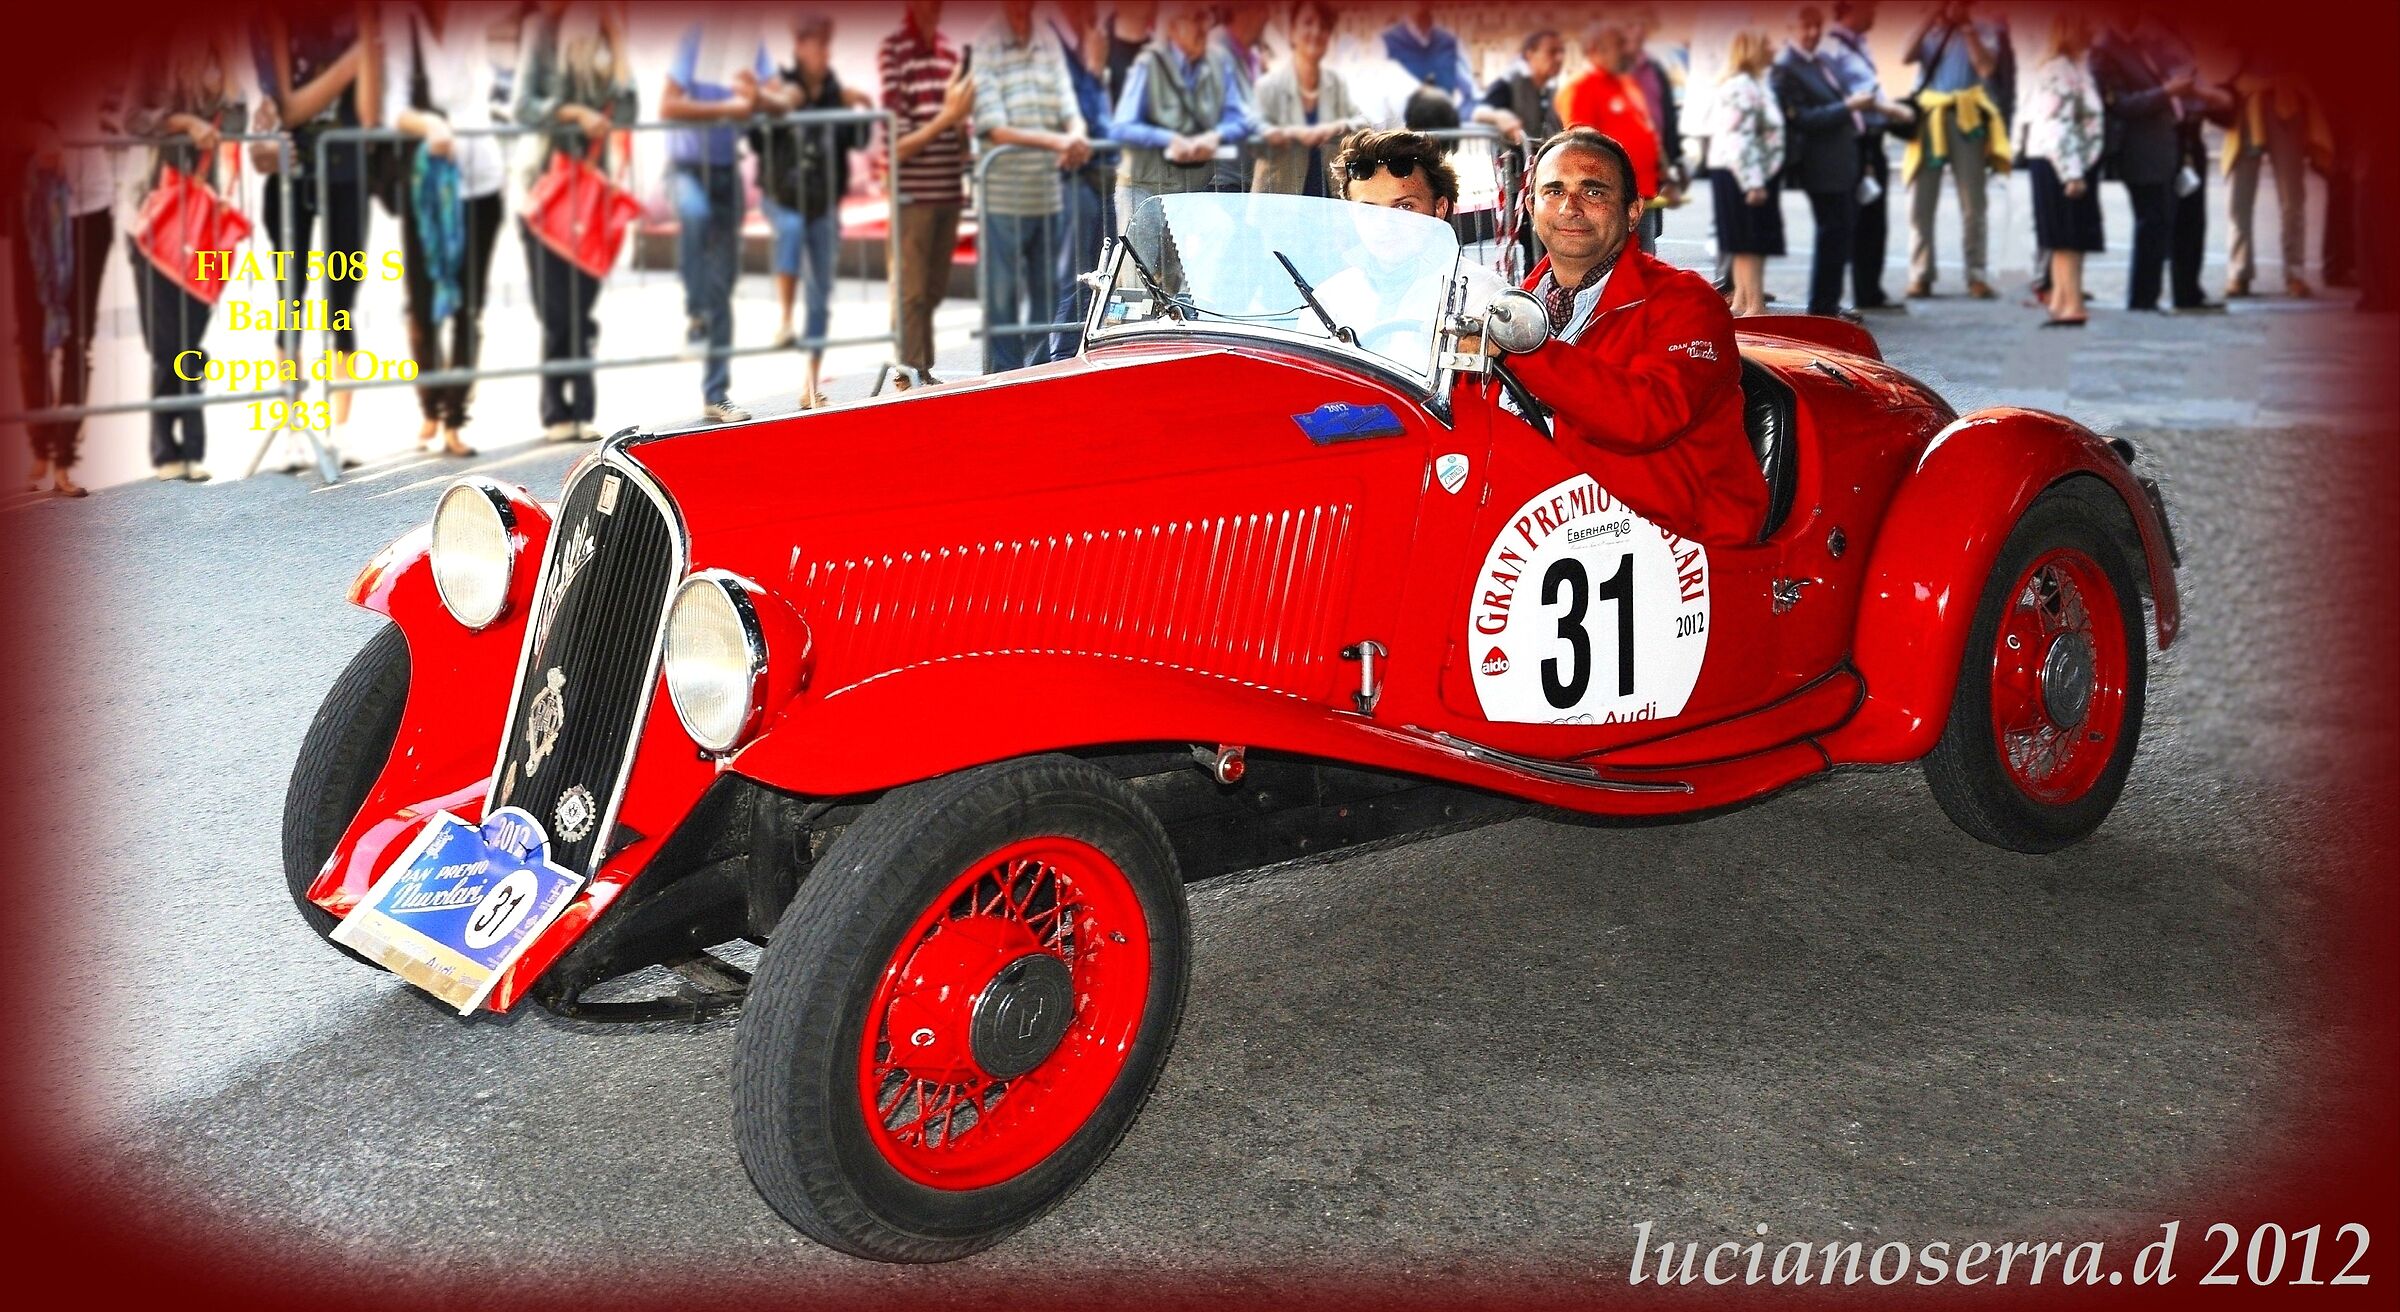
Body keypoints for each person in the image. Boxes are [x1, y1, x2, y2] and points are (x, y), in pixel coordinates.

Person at [1505, 127, 1768, 547]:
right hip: (1539, 532)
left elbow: (1644, 416)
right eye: (1554, 190)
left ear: (1632, 211)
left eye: (1593, 192)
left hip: (1674, 546)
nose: (1570, 207)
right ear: (1532, 208)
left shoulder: (1687, 302)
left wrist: (1520, 349)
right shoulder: (1513, 305)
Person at [363, 1, 510, 458]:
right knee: (424, 307)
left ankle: (455, 420)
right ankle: (430, 404)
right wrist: (430, 123)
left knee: (468, 306)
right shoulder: (401, 19)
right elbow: (392, 111)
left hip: (482, 181)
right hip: (427, 189)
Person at [125, 30, 244, 483]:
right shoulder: (154, 48)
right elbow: (131, 118)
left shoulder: (220, 47)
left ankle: (192, 449)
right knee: (166, 342)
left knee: (192, 339)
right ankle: (166, 449)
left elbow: (235, 125)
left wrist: (230, 76)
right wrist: (181, 122)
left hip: (205, 222)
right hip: (153, 217)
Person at [512, 2, 634, 441]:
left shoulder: (607, 34)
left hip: (593, 196)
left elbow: (628, 111)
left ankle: (581, 409)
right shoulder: (542, 31)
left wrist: (618, 43)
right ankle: (554, 408)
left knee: (581, 310)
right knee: (556, 311)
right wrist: (571, 112)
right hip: (545, 189)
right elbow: (522, 107)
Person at [252, 12, 368, 447]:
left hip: (346, 173)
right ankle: (294, 427)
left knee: (342, 300)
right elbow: (288, 107)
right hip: (289, 175)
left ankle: (341, 433)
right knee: (290, 299)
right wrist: (353, 61)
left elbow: (370, 110)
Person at [659, 16, 773, 422]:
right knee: (695, 213)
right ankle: (695, 310)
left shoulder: (750, 41)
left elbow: (778, 99)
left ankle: (716, 393)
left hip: (726, 173)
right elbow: (667, 104)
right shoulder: (695, 35)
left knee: (723, 287)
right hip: (686, 168)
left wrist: (757, 99)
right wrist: (728, 107)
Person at [755, 13, 871, 407]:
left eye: (827, 42)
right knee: (789, 230)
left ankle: (810, 384)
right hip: (785, 196)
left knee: (820, 295)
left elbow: (856, 140)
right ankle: (786, 319)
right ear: (800, 46)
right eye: (816, 42)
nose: (823, 51)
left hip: (822, 200)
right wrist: (771, 108)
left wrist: (859, 107)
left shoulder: (835, 88)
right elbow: (756, 138)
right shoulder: (782, 84)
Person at [972, 0, 1090, 373]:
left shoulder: (1045, 39)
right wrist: (1058, 143)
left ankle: (1035, 376)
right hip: (1004, 192)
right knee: (1003, 297)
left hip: (1046, 190)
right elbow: (995, 127)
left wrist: (1077, 134)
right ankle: (1000, 382)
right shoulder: (986, 44)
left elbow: (1068, 104)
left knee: (1045, 292)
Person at [10, 82, 116, 496]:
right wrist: (35, 134)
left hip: (91, 210)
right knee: (32, 336)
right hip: (35, 208)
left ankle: (65, 459)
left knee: (77, 340)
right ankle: (40, 447)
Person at [881, 0, 975, 389]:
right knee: (911, 289)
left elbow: (959, 137)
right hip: (912, 194)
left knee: (933, 289)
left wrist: (960, 120)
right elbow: (897, 144)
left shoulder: (949, 53)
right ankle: (905, 375)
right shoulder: (895, 52)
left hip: (947, 189)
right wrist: (947, 118)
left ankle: (923, 370)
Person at [1108, 0, 1257, 220]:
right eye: (1195, 19)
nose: (1203, 27)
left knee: (1220, 227)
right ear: (1174, 27)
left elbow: (1241, 120)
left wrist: (1214, 137)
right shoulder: (1148, 64)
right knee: (1138, 255)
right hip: (1141, 189)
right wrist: (1169, 139)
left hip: (1192, 194)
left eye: (1206, 19)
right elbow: (1122, 127)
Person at [1900, 0, 2010, 299]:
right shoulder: (1926, 24)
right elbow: (1905, 56)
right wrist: (1932, 17)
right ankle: (1920, 274)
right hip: (1929, 116)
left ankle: (1976, 274)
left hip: (1967, 116)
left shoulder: (1983, 27)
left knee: (1974, 201)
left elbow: (1987, 68)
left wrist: (1965, 27)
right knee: (1920, 201)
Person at [1773, 7, 1870, 319]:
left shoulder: (1818, 61)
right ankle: (1823, 308)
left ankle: (1828, 302)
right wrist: (1848, 107)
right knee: (1832, 232)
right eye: (1806, 26)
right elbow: (1802, 119)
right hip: (1820, 163)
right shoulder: (1787, 67)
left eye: (1817, 26)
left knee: (1840, 233)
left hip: (1841, 159)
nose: (1813, 33)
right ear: (1791, 27)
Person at [1821, 1, 1911, 311]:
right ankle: (1833, 301)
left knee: (1873, 219)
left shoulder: (1859, 45)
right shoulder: (1833, 46)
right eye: (1869, 7)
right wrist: (1892, 110)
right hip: (1851, 142)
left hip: (1871, 141)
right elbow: (1850, 96)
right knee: (1850, 222)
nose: (1874, 12)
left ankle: (1869, 291)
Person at [2090, 17, 2182, 314]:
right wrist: (2166, 93)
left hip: (2159, 146)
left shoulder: (2141, 44)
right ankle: (2142, 297)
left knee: (2160, 221)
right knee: (2150, 221)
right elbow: (2121, 104)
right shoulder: (2106, 49)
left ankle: (2149, 294)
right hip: (2138, 149)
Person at [2017, 11, 2103, 326]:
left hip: (2066, 159)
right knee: (2067, 237)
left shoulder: (2073, 68)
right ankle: (2070, 304)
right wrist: (2073, 172)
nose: (2093, 29)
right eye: (2087, 23)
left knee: (2068, 237)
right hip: (2062, 161)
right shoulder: (2059, 70)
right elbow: (2058, 125)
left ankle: (2065, 301)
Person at [1556, 17, 1666, 254]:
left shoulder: (1625, 83)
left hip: (1642, 192)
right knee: (1621, 267)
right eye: (1618, 45)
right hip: (1614, 200)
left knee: (1643, 263)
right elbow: (1584, 143)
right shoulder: (1582, 86)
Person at [2220, 61, 2325, 299]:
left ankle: (2295, 273)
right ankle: (2239, 272)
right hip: (2245, 96)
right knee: (2239, 197)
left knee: (2292, 198)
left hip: (2287, 95)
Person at [1050, 1, 1117, 358]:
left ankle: (1076, 351)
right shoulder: (1059, 48)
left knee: (1098, 273)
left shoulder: (1093, 43)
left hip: (1103, 179)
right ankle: (1059, 357)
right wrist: (1093, 68)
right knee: (1074, 280)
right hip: (1073, 183)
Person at [1704, 29, 1785, 319]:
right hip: (1745, 173)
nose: (1773, 49)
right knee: (1751, 241)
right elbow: (1740, 138)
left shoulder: (1748, 84)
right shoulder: (1742, 86)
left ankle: (1741, 300)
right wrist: (1753, 182)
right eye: (1767, 44)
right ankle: (1754, 306)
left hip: (1740, 171)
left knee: (1742, 240)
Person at [1250, 1, 1364, 197]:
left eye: (1324, 26)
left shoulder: (1337, 83)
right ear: (1293, 31)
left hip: (1330, 201)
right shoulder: (1270, 85)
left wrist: (1339, 125)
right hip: (1277, 202)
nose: (1316, 31)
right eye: (1308, 23)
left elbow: (1362, 123)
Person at [1208, 2, 1269, 192]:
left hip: (1246, 177)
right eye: (1262, 9)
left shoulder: (1251, 52)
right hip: (1223, 178)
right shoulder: (1217, 47)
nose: (1267, 16)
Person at [1477, 29, 1565, 148]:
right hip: (1516, 162)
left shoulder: (1552, 88)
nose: (1559, 58)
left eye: (1561, 52)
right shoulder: (1509, 82)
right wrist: (1499, 116)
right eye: (1552, 52)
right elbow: (1480, 112)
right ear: (1530, 54)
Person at [1379, 4, 1475, 109]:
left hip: (1442, 119)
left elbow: (1470, 93)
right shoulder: (1386, 43)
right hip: (1405, 121)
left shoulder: (1450, 43)